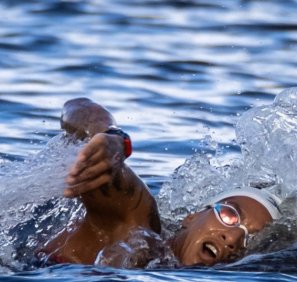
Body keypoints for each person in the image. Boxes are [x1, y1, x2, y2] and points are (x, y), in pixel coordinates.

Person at [38, 98, 282, 267]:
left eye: (251, 239)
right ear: (192, 216)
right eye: (230, 216)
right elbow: (78, 108)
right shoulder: (138, 228)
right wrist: (112, 140)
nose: (233, 240)